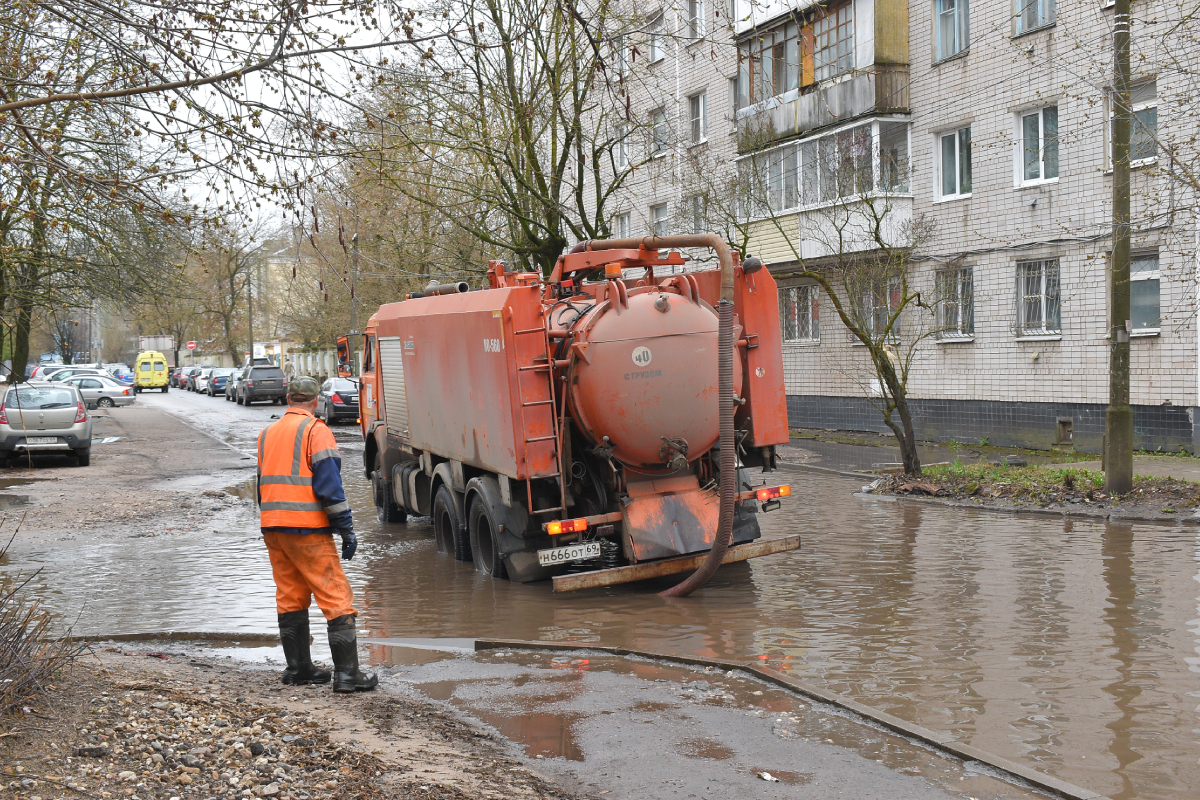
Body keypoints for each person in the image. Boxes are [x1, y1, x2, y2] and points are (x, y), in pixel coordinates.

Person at [257, 375, 377, 692]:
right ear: (315, 401)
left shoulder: (267, 433)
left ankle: (299, 670)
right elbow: (330, 488)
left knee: (290, 595)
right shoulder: (316, 430)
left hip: (273, 526)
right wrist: (346, 529)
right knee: (336, 596)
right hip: (306, 527)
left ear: (288, 399)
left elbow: (261, 484)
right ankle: (348, 676)